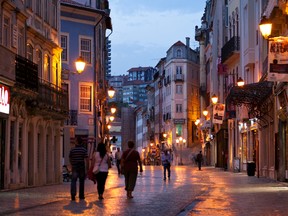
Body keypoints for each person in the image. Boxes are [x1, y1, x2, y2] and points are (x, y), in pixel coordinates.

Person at [69, 137, 88, 201]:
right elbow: (86, 159)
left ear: (76, 142)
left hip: (74, 167)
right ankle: (81, 195)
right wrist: (87, 168)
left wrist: (72, 163)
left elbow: (70, 157)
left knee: (73, 181)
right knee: (81, 181)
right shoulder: (84, 150)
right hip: (81, 167)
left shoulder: (72, 150)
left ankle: (73, 195)